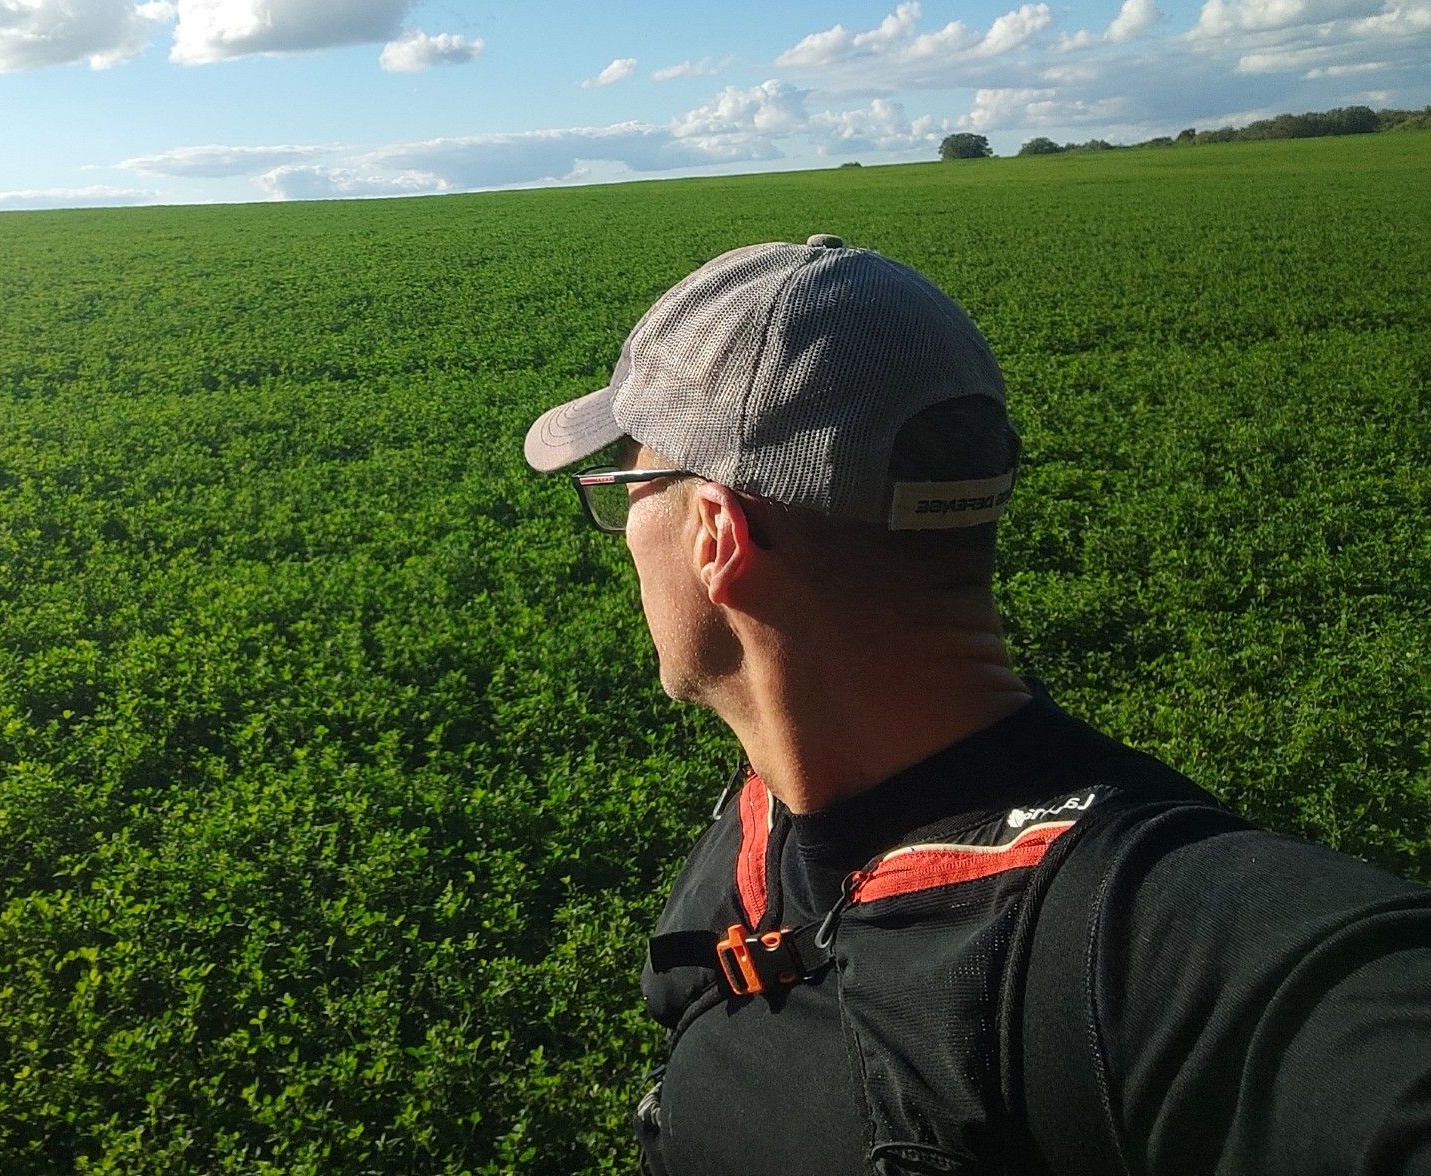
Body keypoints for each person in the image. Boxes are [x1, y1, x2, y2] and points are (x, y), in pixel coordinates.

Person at [522, 235, 1430, 1176]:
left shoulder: (1146, 943)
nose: (624, 530)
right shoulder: (775, 807)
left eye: (629, 483)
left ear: (716, 532)